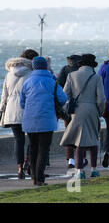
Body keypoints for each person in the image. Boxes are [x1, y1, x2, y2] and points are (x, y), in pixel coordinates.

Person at [20, 57, 67, 186]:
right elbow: (63, 99)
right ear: (46, 66)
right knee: (43, 149)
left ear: (34, 67)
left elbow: (22, 103)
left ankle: (34, 177)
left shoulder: (28, 82)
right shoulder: (52, 81)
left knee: (33, 148)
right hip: (47, 121)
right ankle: (40, 178)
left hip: (30, 120)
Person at [60, 54, 105, 179]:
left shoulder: (71, 76)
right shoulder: (96, 78)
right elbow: (101, 98)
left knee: (79, 141)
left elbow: (64, 96)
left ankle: (80, 171)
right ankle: (94, 169)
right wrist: (100, 111)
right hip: (92, 110)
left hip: (77, 111)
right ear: (92, 65)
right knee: (93, 139)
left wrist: (67, 110)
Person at [0, 49, 39, 179]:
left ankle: (19, 168)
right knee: (33, 139)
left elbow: (4, 95)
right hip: (28, 109)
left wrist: (2, 111)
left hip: (11, 111)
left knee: (19, 140)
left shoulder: (9, 74)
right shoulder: (32, 73)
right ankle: (29, 163)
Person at [56, 54, 83, 169]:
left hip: (68, 107)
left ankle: (70, 160)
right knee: (81, 133)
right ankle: (81, 158)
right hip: (82, 107)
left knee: (69, 132)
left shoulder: (65, 70)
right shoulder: (83, 71)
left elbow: (59, 88)